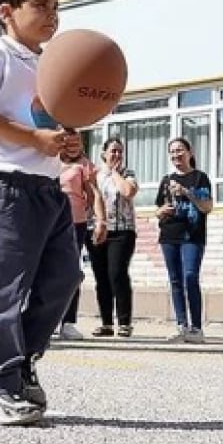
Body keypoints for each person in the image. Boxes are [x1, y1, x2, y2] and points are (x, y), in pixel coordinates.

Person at [0, 0, 81, 426]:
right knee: (6, 289)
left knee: (65, 278)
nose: (52, 14)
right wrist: (33, 141)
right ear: (8, 12)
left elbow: (49, 125)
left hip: (48, 189)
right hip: (5, 187)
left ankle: (21, 362)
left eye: (56, 5)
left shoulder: (49, 63)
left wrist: (66, 142)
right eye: (41, 4)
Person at [156, 137, 213, 344]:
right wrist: (161, 211)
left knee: (190, 277)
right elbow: (159, 209)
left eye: (180, 150)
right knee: (175, 280)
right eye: (172, 151)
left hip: (193, 236)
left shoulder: (200, 178)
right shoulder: (166, 180)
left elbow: (207, 207)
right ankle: (181, 325)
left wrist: (187, 192)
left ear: (190, 153)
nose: (176, 155)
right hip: (169, 235)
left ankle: (196, 328)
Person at [87, 138, 138, 338]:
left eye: (119, 152)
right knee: (101, 277)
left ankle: (124, 322)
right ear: (103, 154)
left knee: (117, 273)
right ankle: (106, 323)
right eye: (113, 151)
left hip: (122, 231)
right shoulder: (95, 176)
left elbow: (128, 191)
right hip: (99, 229)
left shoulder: (128, 174)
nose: (116, 155)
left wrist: (115, 172)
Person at [57, 142, 103, 342]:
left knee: (70, 273)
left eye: (77, 139)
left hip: (76, 224)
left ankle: (68, 323)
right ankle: (42, 320)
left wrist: (101, 220)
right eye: (68, 139)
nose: (73, 144)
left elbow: (94, 195)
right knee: (46, 272)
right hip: (49, 223)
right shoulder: (49, 162)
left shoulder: (84, 165)